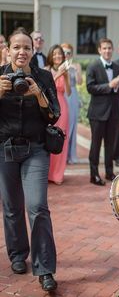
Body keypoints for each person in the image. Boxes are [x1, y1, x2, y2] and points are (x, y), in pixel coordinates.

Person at [0, 28, 60, 291]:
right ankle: (17, 254)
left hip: (36, 149)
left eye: (26, 47)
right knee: (11, 207)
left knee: (37, 207)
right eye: (16, 47)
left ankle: (45, 268)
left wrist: (38, 94)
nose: (22, 52)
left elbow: (54, 115)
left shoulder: (43, 76)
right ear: (8, 50)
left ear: (32, 50)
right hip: (4, 149)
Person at [86, 38, 119, 185]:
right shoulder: (93, 66)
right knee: (96, 144)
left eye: (109, 48)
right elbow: (90, 88)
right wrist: (109, 85)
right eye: (104, 48)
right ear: (99, 50)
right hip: (97, 112)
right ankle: (94, 174)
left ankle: (109, 172)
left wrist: (116, 87)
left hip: (114, 112)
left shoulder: (116, 67)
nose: (107, 51)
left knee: (111, 144)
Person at [45, 45, 71, 185]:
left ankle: (58, 174)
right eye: (54, 54)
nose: (57, 56)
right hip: (49, 106)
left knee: (61, 139)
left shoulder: (66, 70)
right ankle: (47, 172)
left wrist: (65, 76)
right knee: (48, 138)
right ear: (51, 55)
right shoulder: (46, 70)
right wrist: (58, 74)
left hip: (62, 106)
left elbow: (69, 92)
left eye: (59, 54)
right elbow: (46, 88)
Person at [61, 43, 82, 164]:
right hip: (61, 94)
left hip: (72, 95)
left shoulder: (76, 65)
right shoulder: (58, 65)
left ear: (71, 54)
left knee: (73, 125)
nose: (66, 55)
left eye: (68, 52)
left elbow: (79, 82)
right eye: (63, 52)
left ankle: (71, 155)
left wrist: (76, 70)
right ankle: (61, 154)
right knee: (63, 124)